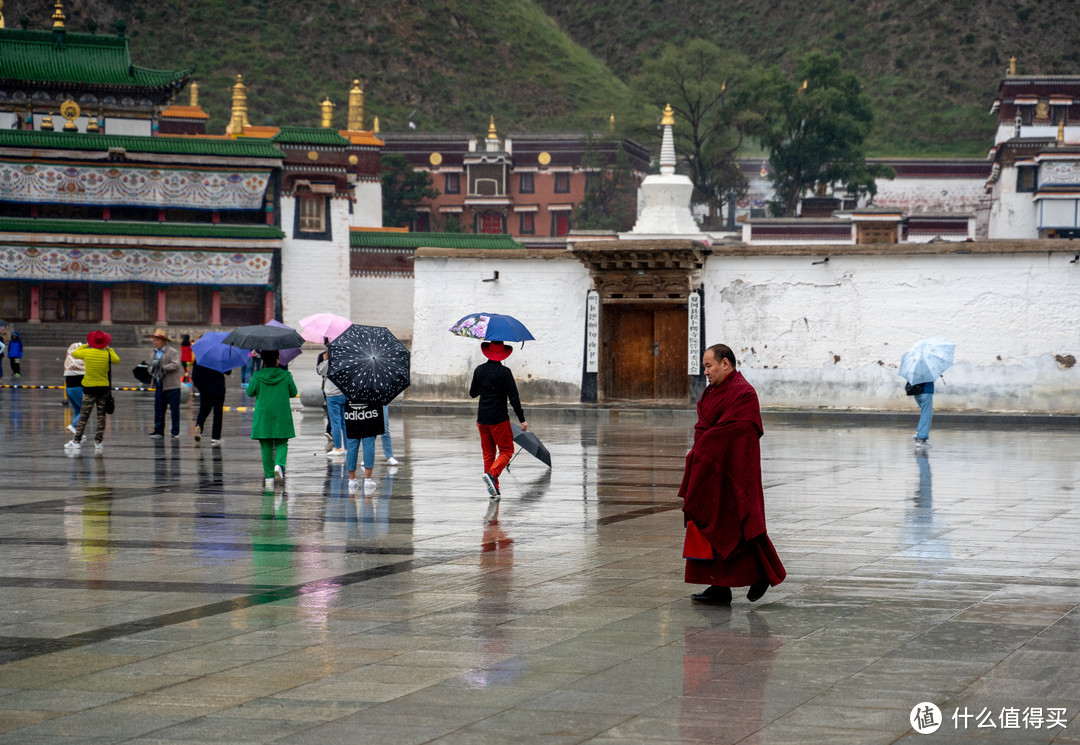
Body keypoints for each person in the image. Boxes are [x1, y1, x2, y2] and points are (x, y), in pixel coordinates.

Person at [679, 343, 785, 605]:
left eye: (709, 366)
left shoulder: (743, 393)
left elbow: (736, 431)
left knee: (739, 524)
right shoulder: (711, 393)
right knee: (711, 522)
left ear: (725, 364)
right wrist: (701, 451)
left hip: (734, 471)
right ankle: (719, 586)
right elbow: (704, 425)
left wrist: (703, 449)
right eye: (704, 366)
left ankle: (760, 574)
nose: (706, 372)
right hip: (711, 470)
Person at [469, 340, 527, 500]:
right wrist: (522, 419)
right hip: (499, 419)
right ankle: (492, 475)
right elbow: (514, 398)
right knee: (507, 451)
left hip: (482, 418)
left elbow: (472, 393)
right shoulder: (505, 372)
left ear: (487, 351)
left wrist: (484, 387)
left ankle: (494, 488)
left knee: (488, 454)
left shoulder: (479, 370)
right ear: (502, 354)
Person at [246, 349, 297, 489]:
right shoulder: (286, 375)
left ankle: (269, 477)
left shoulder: (257, 376)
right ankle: (279, 465)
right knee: (282, 442)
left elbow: (250, 392)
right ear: (277, 360)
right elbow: (294, 392)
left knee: (266, 444)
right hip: (281, 413)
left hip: (264, 414)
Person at [66, 330, 120, 453]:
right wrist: (109, 349)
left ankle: (76, 441)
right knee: (101, 416)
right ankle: (98, 442)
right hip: (103, 389)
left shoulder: (87, 352)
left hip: (89, 388)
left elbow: (75, 353)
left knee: (84, 415)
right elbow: (117, 360)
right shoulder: (108, 354)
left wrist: (87, 345)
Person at [146, 328, 182, 439]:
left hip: (172, 386)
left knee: (174, 410)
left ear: (163, 341)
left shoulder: (172, 352)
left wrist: (162, 368)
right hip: (159, 384)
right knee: (159, 409)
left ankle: (175, 431)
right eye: (154, 340)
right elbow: (149, 367)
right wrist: (153, 370)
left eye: (156, 340)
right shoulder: (154, 353)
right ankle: (158, 430)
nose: (154, 342)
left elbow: (176, 365)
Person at [316, 341, 347, 457]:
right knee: (343, 421)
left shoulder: (328, 357)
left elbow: (321, 371)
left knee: (336, 422)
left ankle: (338, 447)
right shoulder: (345, 355)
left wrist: (325, 360)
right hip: (342, 392)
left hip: (333, 393)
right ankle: (347, 447)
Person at [191, 358, 229, 445]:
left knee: (203, 411)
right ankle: (215, 437)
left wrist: (199, 387)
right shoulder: (220, 357)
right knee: (218, 413)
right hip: (218, 389)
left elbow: (194, 376)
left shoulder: (200, 358)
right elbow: (228, 371)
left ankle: (199, 427)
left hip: (205, 389)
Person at [63, 341, 86, 435]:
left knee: (78, 411)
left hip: (68, 390)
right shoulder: (81, 363)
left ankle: (79, 433)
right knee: (85, 410)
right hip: (78, 389)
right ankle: (73, 425)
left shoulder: (68, 362)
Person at [910, 380, 935, 449]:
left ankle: (919, 433)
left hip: (917, 393)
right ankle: (922, 439)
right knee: (927, 415)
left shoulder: (915, 371)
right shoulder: (928, 370)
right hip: (926, 392)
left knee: (925, 414)